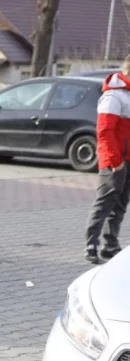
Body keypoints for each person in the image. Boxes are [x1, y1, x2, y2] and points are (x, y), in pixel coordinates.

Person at [86, 55, 130, 264]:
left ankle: (110, 245)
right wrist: (115, 161)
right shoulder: (114, 96)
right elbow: (104, 132)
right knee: (105, 203)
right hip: (115, 160)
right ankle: (91, 244)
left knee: (120, 204)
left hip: (128, 158)